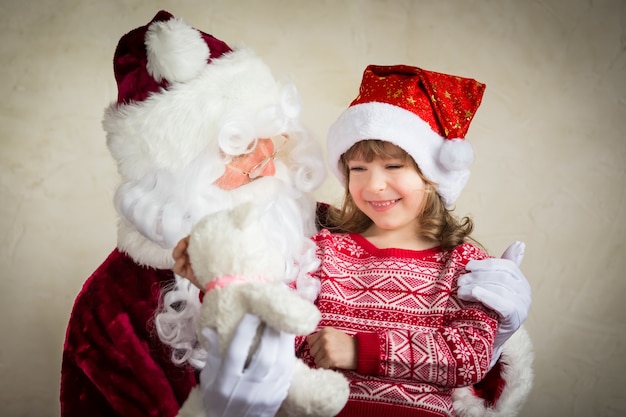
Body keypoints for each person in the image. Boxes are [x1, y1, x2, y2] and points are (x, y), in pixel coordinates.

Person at [61, 10, 531, 417]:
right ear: (175, 177)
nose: (266, 156)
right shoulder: (108, 307)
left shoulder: (327, 225)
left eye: (269, 131)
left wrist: (496, 340)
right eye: (237, 147)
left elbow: (457, 372)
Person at [172, 65, 534, 417]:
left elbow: (467, 358)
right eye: (357, 169)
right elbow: (288, 337)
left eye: (394, 167)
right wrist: (214, 282)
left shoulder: (463, 263)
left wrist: (359, 349)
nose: (373, 185)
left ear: (434, 176)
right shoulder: (325, 251)